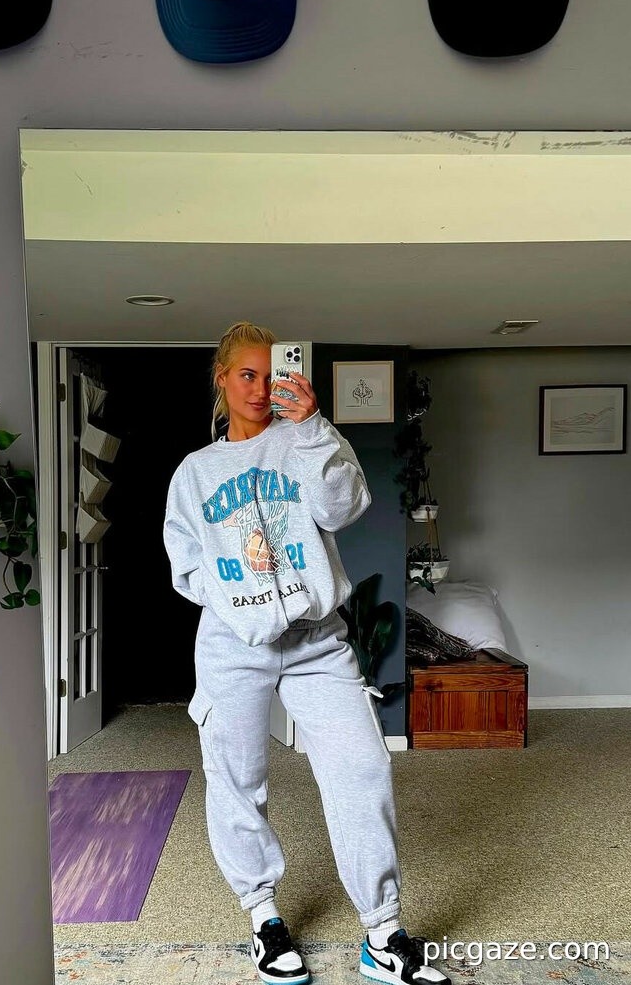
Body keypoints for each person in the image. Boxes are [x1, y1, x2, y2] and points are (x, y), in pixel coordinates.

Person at [163, 321, 451, 985]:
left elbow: (343, 506)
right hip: (233, 644)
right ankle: (263, 917)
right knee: (236, 779)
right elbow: (185, 563)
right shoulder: (195, 472)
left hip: (317, 641)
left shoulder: (310, 437)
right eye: (247, 374)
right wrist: (237, 603)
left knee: (362, 768)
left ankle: (382, 932)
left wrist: (314, 428)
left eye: (272, 375)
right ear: (222, 379)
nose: (261, 388)